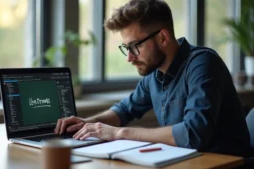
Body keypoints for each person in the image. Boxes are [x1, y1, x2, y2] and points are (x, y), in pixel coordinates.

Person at [55, 0, 252, 157]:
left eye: (134, 46)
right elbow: (124, 111)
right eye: (126, 48)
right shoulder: (155, 74)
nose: (129, 57)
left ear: (163, 38)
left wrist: (119, 133)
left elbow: (193, 134)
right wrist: (87, 124)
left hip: (228, 164)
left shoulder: (203, 64)